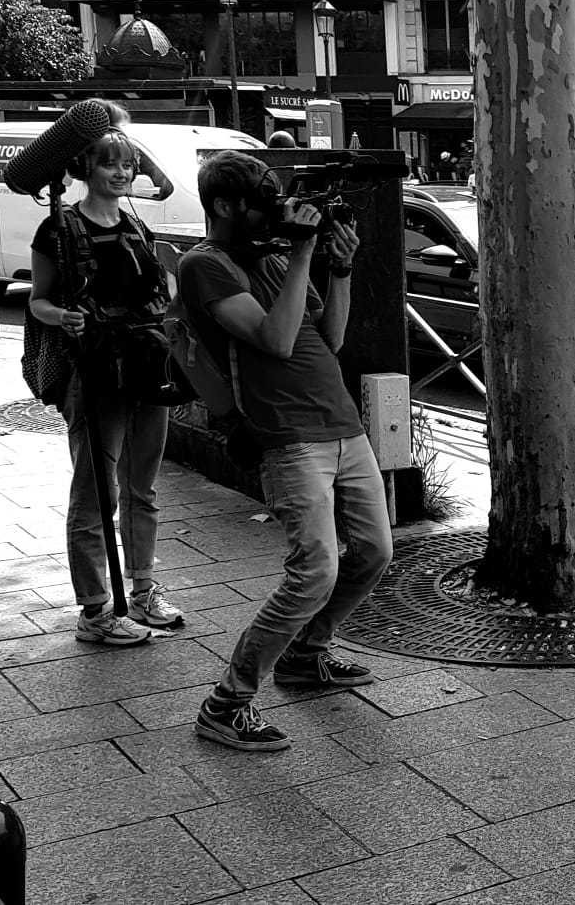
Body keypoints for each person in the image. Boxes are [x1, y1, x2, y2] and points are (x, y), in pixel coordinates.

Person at [178, 151, 393, 751]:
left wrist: (340, 270)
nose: (273, 215)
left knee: (375, 553)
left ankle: (307, 654)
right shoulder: (206, 265)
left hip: (343, 425)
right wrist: (302, 252)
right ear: (224, 206)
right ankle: (228, 702)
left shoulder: (273, 258)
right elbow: (273, 341)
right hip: (288, 436)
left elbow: (328, 338)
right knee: (315, 569)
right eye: (259, 203)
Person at [28, 100, 184, 646]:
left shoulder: (136, 220)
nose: (122, 172)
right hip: (93, 368)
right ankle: (95, 609)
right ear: (85, 169)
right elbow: (38, 301)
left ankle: (142, 589)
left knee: (142, 488)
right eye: (110, 163)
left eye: (127, 164)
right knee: (95, 493)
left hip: (145, 363)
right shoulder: (59, 229)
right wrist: (62, 317)